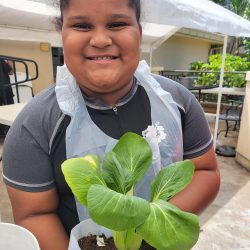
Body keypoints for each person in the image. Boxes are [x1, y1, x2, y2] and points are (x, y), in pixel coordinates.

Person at [2, 0, 220, 249]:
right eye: (82, 25)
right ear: (62, 33)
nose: (100, 39)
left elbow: (205, 171)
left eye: (117, 24)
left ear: (139, 32)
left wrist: (153, 227)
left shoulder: (179, 101)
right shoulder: (34, 125)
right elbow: (34, 214)